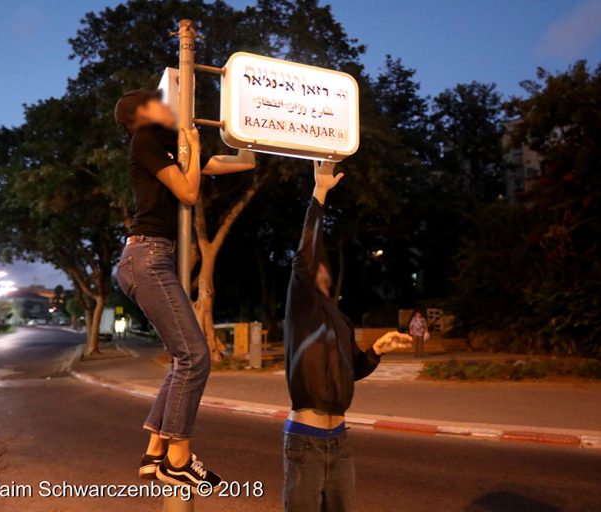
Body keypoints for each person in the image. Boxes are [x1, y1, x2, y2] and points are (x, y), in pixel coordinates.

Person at [113, 89, 255, 490]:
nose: (167, 106)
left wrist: (249, 137)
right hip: (146, 256)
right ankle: (178, 459)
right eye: (157, 103)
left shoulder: (164, 146)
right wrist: (191, 145)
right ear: (141, 115)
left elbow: (236, 162)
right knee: (196, 357)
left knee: (182, 359)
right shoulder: (143, 141)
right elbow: (189, 191)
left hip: (150, 257)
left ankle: (155, 450)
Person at [283, 160, 412, 512]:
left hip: (340, 440)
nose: (321, 268)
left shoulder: (339, 320)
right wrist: (319, 194)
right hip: (305, 441)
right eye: (317, 265)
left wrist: (375, 352)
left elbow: (350, 369)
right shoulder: (301, 309)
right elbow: (304, 259)